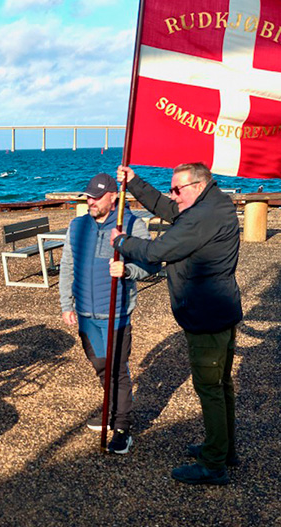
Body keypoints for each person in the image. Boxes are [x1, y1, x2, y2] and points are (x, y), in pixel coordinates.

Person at [111, 163, 243, 485]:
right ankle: (223, 449)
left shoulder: (202, 217)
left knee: (209, 389)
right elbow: (170, 209)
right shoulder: (215, 202)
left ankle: (214, 464)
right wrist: (134, 182)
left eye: (177, 189)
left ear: (197, 186)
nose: (173, 195)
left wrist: (122, 241)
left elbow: (157, 251)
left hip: (206, 316)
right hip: (221, 311)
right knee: (222, 386)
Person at [59, 173, 159, 455]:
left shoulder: (130, 224)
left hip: (116, 313)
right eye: (88, 196)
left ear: (113, 196)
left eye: (96, 197)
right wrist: (67, 304)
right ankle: (111, 409)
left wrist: (128, 270)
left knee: (117, 369)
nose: (90, 201)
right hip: (86, 313)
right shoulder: (77, 225)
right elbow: (68, 265)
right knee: (101, 366)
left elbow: (152, 263)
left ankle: (123, 426)